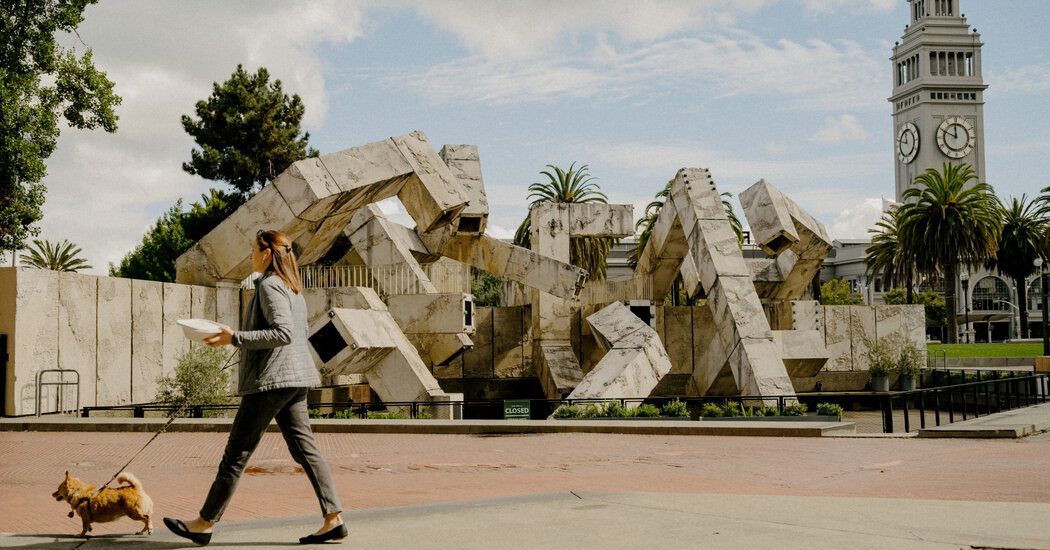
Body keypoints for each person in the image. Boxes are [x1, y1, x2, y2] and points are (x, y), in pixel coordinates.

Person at [163, 229, 345, 546]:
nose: (250, 256)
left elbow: (283, 334)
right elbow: (289, 336)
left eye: (253, 250)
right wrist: (247, 344)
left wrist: (235, 337)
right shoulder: (293, 289)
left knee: (236, 454)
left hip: (272, 383)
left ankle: (204, 524)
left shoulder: (271, 286)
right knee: (306, 451)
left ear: (267, 253)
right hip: (296, 378)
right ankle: (334, 519)